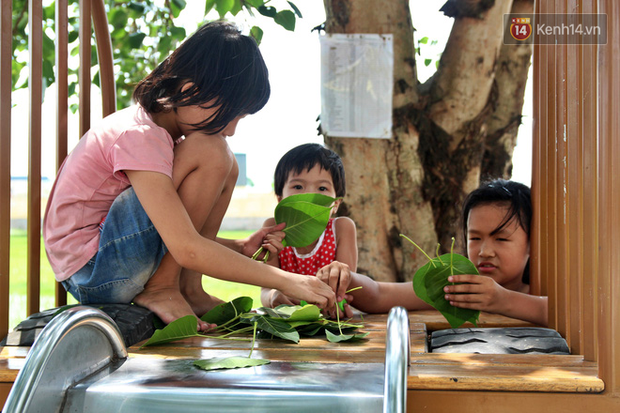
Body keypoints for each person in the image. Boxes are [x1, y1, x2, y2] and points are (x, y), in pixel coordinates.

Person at [42, 21, 336, 332]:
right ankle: (163, 287)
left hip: (106, 262)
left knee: (224, 160)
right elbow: (185, 247)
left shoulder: (160, 137)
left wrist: (238, 247)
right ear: (190, 91)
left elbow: (173, 230)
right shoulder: (139, 135)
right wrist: (289, 281)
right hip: (94, 271)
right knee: (211, 150)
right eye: (231, 114)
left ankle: (189, 289)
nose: (231, 129)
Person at [258, 146, 547, 325]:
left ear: (532, 243)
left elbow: (576, 317)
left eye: (501, 239)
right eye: (475, 238)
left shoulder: (550, 290)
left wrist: (501, 300)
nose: (484, 251)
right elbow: (381, 295)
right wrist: (344, 276)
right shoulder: (457, 288)